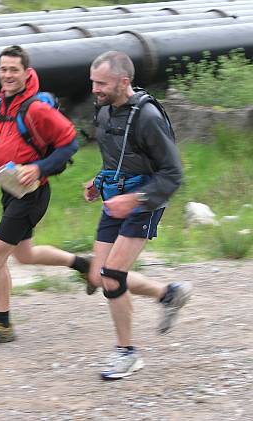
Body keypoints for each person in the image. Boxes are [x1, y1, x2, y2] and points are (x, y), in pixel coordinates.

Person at [0, 45, 89, 348]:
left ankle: (3, 325)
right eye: (3, 69)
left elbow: (70, 144)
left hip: (31, 192)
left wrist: (38, 168)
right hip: (10, 188)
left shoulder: (36, 107)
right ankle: (83, 265)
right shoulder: (1, 105)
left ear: (26, 72)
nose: (7, 75)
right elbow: (6, 140)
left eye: (13, 70)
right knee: (24, 255)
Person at [85, 51, 192, 380]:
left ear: (124, 81)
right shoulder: (105, 111)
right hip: (115, 198)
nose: (95, 89)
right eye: (93, 82)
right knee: (98, 276)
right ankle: (169, 294)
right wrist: (98, 181)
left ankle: (127, 353)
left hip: (144, 201)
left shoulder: (148, 117)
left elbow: (173, 174)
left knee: (113, 275)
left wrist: (134, 200)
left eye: (101, 83)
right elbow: (117, 159)